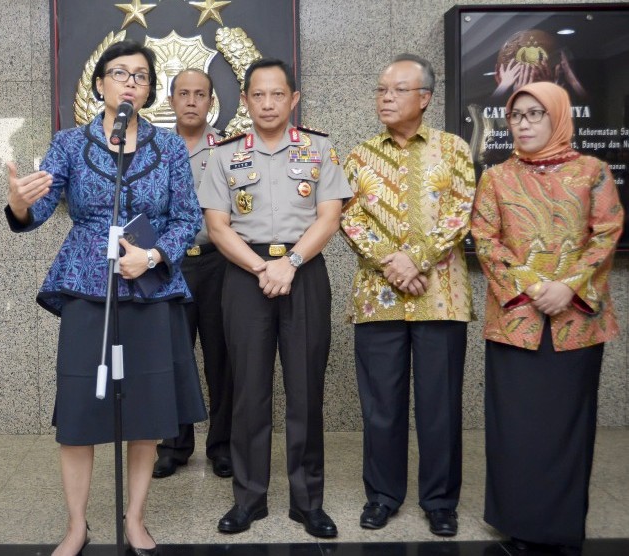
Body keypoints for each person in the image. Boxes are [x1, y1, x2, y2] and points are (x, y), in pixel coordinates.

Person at [5, 40, 205, 556]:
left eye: (141, 76)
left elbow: (188, 219)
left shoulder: (170, 148)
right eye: (121, 73)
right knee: (79, 410)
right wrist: (19, 204)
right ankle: (77, 526)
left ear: (148, 89)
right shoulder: (70, 143)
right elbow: (41, 208)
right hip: (87, 285)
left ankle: (135, 519)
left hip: (150, 286)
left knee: (147, 408)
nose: (131, 82)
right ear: (100, 85)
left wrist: (155, 256)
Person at [471, 82, 623, 556]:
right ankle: (517, 522)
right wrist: (534, 287)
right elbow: (485, 238)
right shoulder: (496, 178)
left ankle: (559, 527)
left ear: (557, 116)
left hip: (575, 323)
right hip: (517, 322)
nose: (525, 123)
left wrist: (569, 286)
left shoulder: (593, 172)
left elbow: (607, 234)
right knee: (514, 427)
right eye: (517, 116)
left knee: (566, 427)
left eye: (536, 114)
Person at [198, 58, 346, 538]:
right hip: (245, 274)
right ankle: (249, 500)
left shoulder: (320, 149)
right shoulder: (223, 155)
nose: (267, 103)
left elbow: (329, 217)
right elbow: (218, 227)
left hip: (303, 270)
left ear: (293, 99)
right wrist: (262, 266)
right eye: (257, 95)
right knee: (247, 392)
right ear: (244, 101)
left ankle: (308, 503)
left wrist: (291, 264)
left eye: (276, 94)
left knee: (306, 391)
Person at [340, 54, 475, 537]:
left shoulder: (453, 149)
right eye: (380, 90)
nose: (386, 98)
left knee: (440, 406)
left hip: (441, 295)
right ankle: (382, 496)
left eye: (397, 90)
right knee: (382, 406)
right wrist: (390, 263)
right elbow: (347, 218)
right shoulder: (359, 155)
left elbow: (461, 212)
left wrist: (415, 259)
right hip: (378, 297)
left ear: (425, 98)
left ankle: (440, 500)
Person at [152, 68, 234, 480]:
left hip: (219, 261)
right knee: (172, 357)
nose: (190, 101)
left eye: (199, 94)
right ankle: (174, 446)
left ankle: (222, 446)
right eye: (182, 93)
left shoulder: (228, 149)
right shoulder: (155, 149)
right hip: (170, 263)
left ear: (210, 102)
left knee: (222, 357)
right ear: (171, 101)